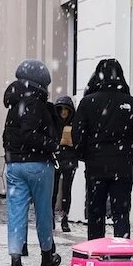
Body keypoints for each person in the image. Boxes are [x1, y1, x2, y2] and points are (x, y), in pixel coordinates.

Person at [73, 59, 133, 240]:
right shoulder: (131, 103)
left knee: (95, 213)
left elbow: (77, 135)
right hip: (122, 165)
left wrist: (85, 155)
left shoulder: (87, 102)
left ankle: (96, 251)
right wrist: (132, 154)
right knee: (121, 212)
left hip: (96, 166)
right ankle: (122, 251)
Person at [3, 59, 62, 266]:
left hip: (14, 164)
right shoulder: (36, 104)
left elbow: (10, 135)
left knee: (16, 213)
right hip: (38, 164)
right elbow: (30, 135)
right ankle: (47, 254)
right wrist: (52, 145)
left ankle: (15, 262)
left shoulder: (13, 103)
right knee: (43, 212)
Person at [53, 95, 78, 233]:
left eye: (66, 110)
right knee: (53, 190)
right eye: (61, 110)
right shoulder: (54, 123)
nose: (63, 113)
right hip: (56, 159)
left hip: (69, 159)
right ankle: (51, 216)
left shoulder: (74, 124)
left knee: (66, 191)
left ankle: (64, 218)